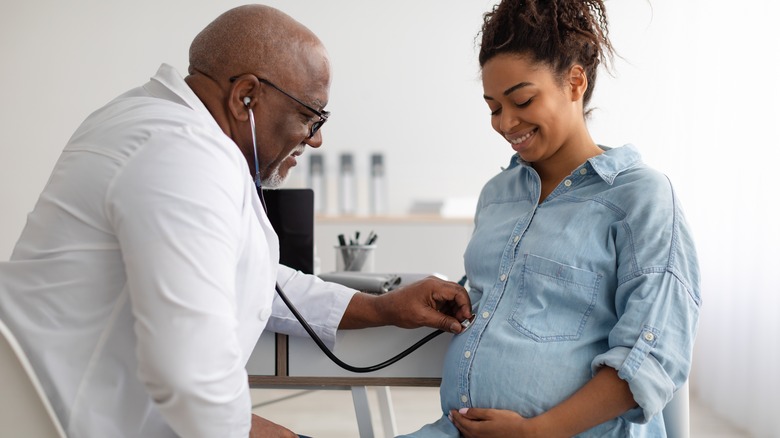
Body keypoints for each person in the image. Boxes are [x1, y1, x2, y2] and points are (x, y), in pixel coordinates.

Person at [0, 5, 472, 438]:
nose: (315, 141)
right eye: (310, 117)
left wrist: (384, 308)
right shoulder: (182, 157)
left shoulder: (158, 127)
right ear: (246, 97)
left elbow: (252, 278)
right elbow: (194, 380)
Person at [402, 0, 701, 437]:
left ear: (575, 82)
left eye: (521, 100)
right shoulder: (497, 196)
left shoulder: (642, 198)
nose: (505, 123)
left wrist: (537, 431)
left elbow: (651, 355)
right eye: (492, 107)